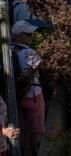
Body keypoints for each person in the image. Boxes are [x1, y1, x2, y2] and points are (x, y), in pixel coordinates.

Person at [12, 21, 45, 156]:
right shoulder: (29, 52)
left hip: (17, 96)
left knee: (22, 130)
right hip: (33, 96)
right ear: (19, 36)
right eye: (29, 34)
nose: (32, 37)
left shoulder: (7, 50)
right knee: (37, 130)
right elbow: (40, 67)